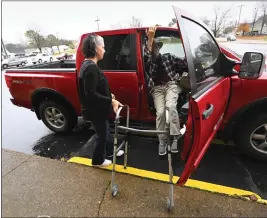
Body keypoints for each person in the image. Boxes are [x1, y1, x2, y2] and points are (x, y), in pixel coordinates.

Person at [78, 33, 124, 167]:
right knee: (102, 134)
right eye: (103, 47)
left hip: (97, 109)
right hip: (95, 110)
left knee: (105, 130)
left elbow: (97, 88)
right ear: (96, 48)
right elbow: (91, 94)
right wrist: (111, 101)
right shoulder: (90, 68)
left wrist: (110, 95)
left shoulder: (89, 65)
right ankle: (98, 160)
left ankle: (110, 151)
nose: (104, 50)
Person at [144, 26, 188, 156]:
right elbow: (147, 53)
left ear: (159, 48)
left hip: (171, 85)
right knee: (160, 113)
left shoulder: (169, 57)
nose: (155, 50)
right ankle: (162, 142)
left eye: (157, 47)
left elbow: (186, 64)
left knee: (171, 106)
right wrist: (150, 38)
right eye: (153, 48)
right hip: (157, 89)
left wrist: (190, 50)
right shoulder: (149, 61)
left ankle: (175, 137)